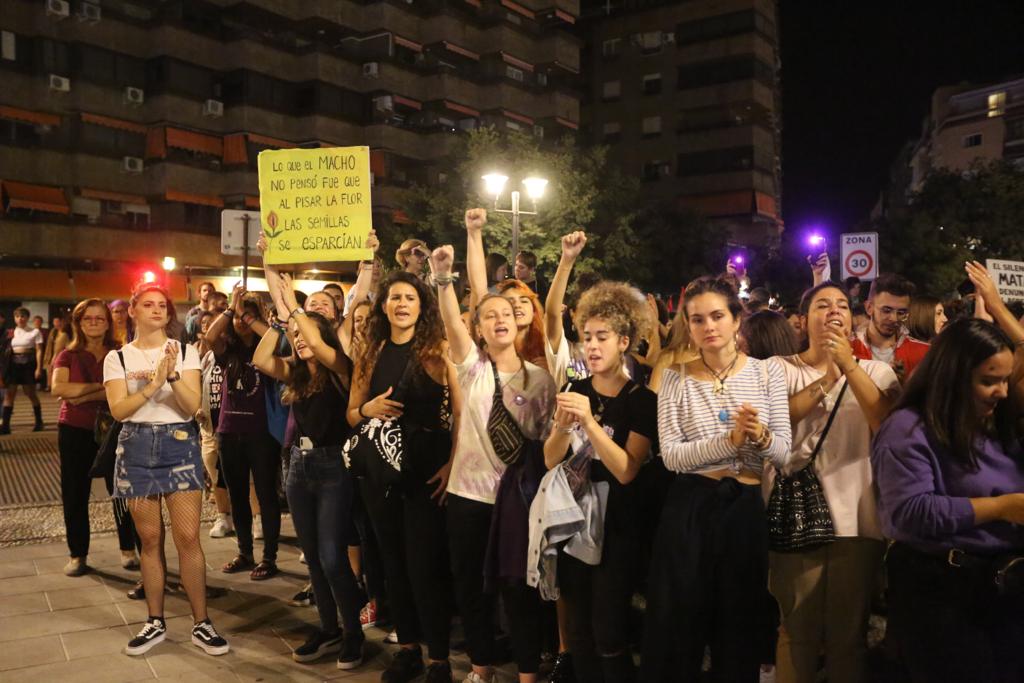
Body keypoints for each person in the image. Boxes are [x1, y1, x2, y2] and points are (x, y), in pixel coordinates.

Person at [642, 275, 792, 682]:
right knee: (681, 623)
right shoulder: (675, 377)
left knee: (739, 622)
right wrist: (730, 440)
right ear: (687, 326)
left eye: (717, 316)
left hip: (743, 508)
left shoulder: (768, 374)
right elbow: (671, 456)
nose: (708, 326)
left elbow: (784, 454)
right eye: (697, 319)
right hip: (690, 507)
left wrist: (759, 436)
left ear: (736, 318)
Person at [432, 234, 557, 683]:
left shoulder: (541, 380)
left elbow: (547, 445)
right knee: (471, 589)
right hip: (467, 497)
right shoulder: (472, 367)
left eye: (506, 314)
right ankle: (481, 667)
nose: (499, 320)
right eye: (489, 316)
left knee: (518, 591)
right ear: (479, 328)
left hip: (518, 503)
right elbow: (450, 321)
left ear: (519, 324)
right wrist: (444, 279)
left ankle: (526, 673)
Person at [872, 318, 1024, 682]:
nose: (1001, 392)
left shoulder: (996, 424)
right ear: (953, 376)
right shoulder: (908, 428)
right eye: (989, 381)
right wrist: (1003, 508)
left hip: (1004, 589)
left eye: (1006, 379)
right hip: (941, 593)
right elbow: (908, 512)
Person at [769, 282, 900, 683]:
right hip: (795, 518)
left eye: (842, 304)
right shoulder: (777, 368)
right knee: (797, 631)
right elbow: (778, 419)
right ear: (803, 319)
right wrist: (828, 373)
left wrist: (848, 367)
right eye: (822, 305)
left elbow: (885, 424)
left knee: (848, 635)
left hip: (857, 521)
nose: (834, 311)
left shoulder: (876, 371)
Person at [346, 269, 461, 683]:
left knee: (425, 566)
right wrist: (367, 410)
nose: (401, 304)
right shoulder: (371, 352)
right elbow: (351, 413)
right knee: (393, 563)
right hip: (381, 470)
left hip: (427, 469)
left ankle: (440, 659)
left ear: (421, 305)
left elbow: (461, 414)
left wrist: (452, 465)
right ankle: (409, 649)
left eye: (409, 298)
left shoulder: (438, 349)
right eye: (394, 297)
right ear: (383, 305)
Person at [103, 282, 228, 657]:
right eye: (148, 304)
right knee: (150, 539)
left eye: (162, 305)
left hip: (178, 444)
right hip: (137, 447)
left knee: (188, 536)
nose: (157, 310)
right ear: (134, 311)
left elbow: (191, 407)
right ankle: (154, 621)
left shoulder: (187, 352)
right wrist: (153, 382)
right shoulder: (119, 358)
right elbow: (118, 411)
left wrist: (171, 376)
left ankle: (201, 623)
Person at [542, 281, 656, 682]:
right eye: (586, 337)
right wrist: (560, 426)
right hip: (574, 520)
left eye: (601, 337)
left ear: (624, 341)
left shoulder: (641, 400)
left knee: (609, 630)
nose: (591, 346)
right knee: (577, 630)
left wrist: (589, 422)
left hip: (618, 527)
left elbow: (627, 469)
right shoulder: (574, 387)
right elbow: (550, 458)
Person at [254, 275, 366, 670]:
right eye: (296, 338)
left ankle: (353, 633)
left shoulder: (340, 367)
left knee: (333, 557)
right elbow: (261, 360)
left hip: (334, 465)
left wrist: (294, 308)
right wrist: (278, 324)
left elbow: (319, 343)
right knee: (315, 560)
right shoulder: (297, 374)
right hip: (299, 468)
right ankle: (328, 627)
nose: (300, 341)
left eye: (305, 336)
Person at [52, 299, 136, 576]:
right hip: (74, 430)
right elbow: (58, 389)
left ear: (108, 322)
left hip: (114, 428)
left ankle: (128, 549)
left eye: (100, 318)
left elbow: (124, 389)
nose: (94, 323)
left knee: (121, 490)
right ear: (78, 322)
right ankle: (77, 554)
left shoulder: (120, 353)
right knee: (75, 493)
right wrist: (101, 388)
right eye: (88, 318)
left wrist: (81, 393)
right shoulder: (67, 355)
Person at [204, 285, 280, 580]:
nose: (240, 321)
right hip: (229, 431)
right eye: (237, 317)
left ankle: (269, 557)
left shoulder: (267, 345)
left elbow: (275, 336)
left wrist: (248, 316)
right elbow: (211, 336)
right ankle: (245, 552)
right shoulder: (228, 349)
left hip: (261, 434)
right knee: (237, 495)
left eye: (247, 317)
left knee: (265, 494)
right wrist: (230, 309)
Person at [466, 209, 547, 370]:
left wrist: (550, 368)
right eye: (510, 302)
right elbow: (478, 288)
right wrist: (474, 232)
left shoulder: (545, 347)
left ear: (534, 309)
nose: (517, 305)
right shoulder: (488, 344)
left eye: (524, 300)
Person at [850, 274, 929, 382]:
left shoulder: (924, 353)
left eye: (901, 312)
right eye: (886, 310)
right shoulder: (848, 351)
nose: (894, 318)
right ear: (869, 308)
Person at [1, 307, 45, 433]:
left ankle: (39, 422)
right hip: (13, 366)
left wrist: (39, 368)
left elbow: (39, 350)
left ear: (27, 318)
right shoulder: (10, 332)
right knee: (10, 394)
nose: (20, 318)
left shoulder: (35, 332)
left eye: (23, 316)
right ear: (14, 318)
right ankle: (5, 426)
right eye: (18, 316)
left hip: (28, 365)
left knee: (30, 393)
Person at [43, 315, 70, 390]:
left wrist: (54, 358)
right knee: (49, 370)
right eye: (54, 322)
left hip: (59, 355)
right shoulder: (53, 332)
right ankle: (49, 385)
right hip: (51, 354)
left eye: (58, 321)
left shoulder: (64, 334)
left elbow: (60, 348)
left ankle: (54, 386)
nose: (56, 323)